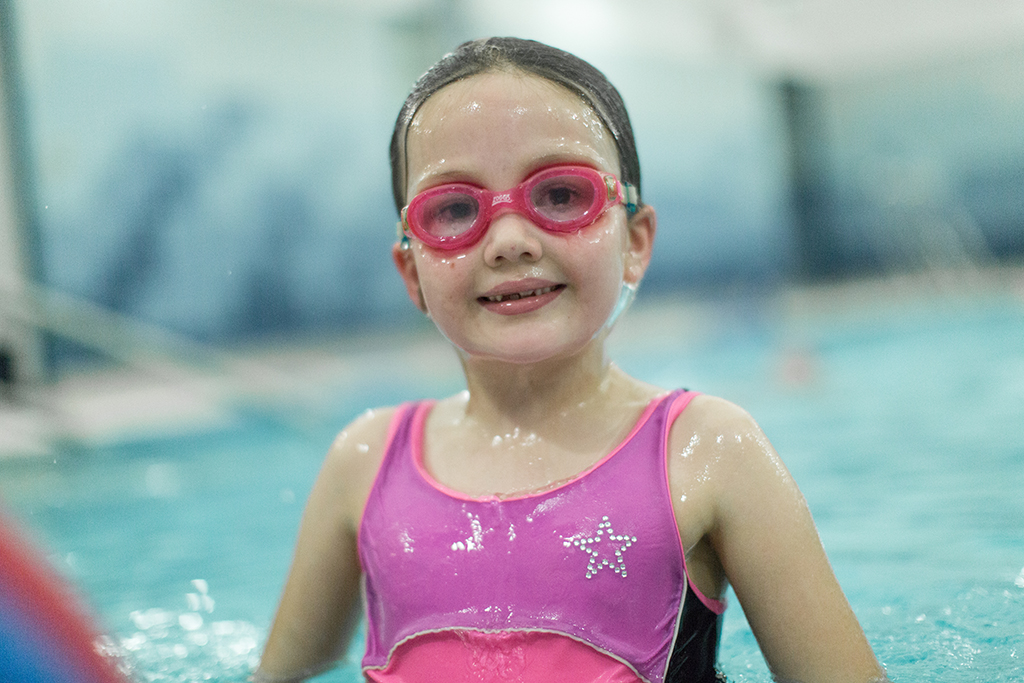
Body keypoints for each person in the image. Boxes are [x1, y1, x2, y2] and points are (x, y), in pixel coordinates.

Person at [255, 37, 888, 683]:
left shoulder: (708, 451)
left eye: (560, 195)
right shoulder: (364, 463)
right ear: (410, 269)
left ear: (635, 240)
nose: (508, 241)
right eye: (453, 209)